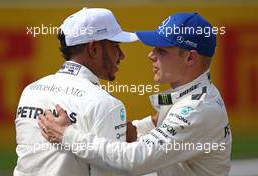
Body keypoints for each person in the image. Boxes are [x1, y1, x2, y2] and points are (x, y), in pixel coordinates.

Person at [39, 12, 232, 176]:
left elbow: (134, 160)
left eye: (161, 50)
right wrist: (126, 129)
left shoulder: (197, 109)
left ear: (190, 57)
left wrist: (67, 135)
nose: (151, 55)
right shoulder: (191, 95)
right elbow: (156, 124)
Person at [14, 7, 140, 176]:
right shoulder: (107, 105)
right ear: (94, 48)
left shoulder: (31, 91)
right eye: (116, 45)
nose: (122, 55)